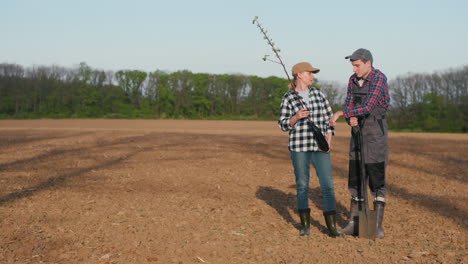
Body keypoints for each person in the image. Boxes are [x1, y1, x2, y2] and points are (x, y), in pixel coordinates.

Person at [329, 48, 389, 239]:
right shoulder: (352, 80)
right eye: (353, 65)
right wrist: (350, 119)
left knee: (375, 175)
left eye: (357, 65)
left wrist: (343, 114)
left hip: (375, 134)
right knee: (355, 175)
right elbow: (350, 105)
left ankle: (376, 226)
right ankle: (354, 223)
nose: (354, 69)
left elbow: (369, 105)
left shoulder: (379, 78)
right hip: (357, 133)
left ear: (368, 63)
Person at [278, 62, 341, 237]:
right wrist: (296, 117)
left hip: (320, 147)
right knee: (302, 185)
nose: (312, 76)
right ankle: (305, 225)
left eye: (313, 74)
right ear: (299, 75)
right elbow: (282, 125)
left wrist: (329, 139)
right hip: (299, 147)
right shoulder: (289, 97)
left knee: (327, 185)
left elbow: (330, 119)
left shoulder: (319, 94)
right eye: (309, 73)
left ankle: (332, 227)